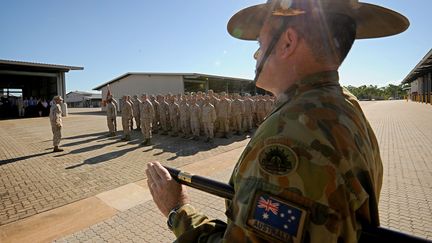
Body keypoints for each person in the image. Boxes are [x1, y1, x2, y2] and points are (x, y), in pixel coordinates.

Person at [145, 0, 409, 242]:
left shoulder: (292, 135)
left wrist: (177, 210)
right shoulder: (343, 105)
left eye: (260, 44)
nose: (256, 56)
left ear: (287, 43)